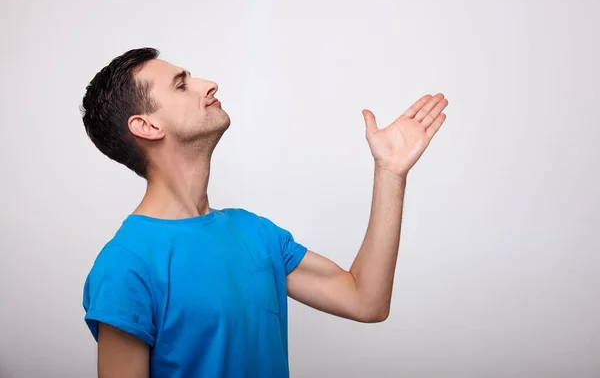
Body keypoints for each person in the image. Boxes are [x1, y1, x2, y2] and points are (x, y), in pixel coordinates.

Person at [80, 47, 448, 378]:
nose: (209, 85)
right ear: (147, 126)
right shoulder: (124, 266)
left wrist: (390, 173)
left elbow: (365, 300)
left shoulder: (255, 232)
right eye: (181, 85)